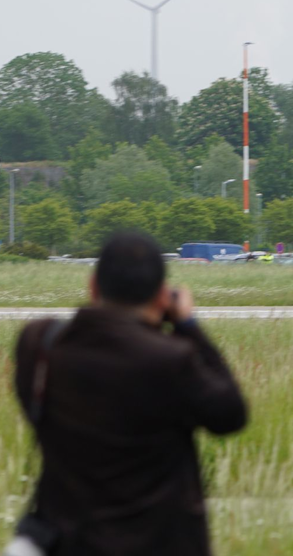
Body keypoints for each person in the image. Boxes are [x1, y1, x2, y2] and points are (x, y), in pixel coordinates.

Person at [13, 231, 248, 555]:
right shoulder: (171, 359)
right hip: (159, 544)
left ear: (93, 286)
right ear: (162, 296)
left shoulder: (40, 344)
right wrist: (188, 325)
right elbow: (230, 415)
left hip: (69, 542)